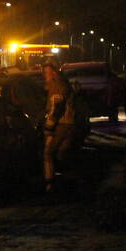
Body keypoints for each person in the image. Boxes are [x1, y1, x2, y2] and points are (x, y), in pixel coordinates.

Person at [42, 60, 76, 193]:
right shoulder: (60, 84)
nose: (45, 75)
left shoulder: (57, 85)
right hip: (68, 124)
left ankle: (49, 183)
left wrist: (49, 126)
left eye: (46, 72)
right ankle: (65, 181)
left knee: (48, 152)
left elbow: (56, 108)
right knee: (61, 154)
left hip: (61, 124)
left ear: (54, 72)